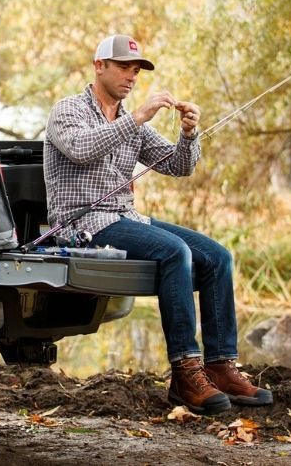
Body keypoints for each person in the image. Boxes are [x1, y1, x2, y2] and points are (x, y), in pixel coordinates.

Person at [43, 34, 273, 415]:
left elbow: (179, 166)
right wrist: (137, 117)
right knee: (174, 251)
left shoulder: (131, 123)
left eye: (136, 70)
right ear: (99, 66)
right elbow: (82, 149)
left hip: (125, 218)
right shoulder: (68, 110)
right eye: (124, 67)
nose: (131, 77)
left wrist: (188, 134)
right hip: (81, 224)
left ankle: (220, 366)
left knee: (217, 257)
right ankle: (185, 373)